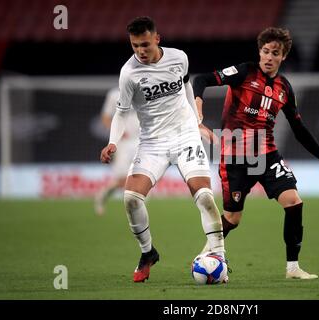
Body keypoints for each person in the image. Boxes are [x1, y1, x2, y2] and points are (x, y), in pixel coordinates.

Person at [193, 27, 319, 280]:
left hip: (267, 152)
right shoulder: (244, 72)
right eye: (265, 51)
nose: (269, 56)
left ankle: (293, 268)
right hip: (235, 154)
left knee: (294, 202)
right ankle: (206, 254)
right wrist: (198, 105)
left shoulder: (284, 88)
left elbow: (298, 128)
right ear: (259, 52)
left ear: (283, 56)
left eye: (275, 53)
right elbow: (202, 80)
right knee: (232, 217)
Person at [100, 16, 226, 283]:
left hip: (185, 137)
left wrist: (198, 122)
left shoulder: (179, 58)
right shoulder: (129, 73)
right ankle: (148, 253)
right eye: (135, 46)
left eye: (145, 44)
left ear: (157, 39)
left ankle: (220, 256)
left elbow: (187, 87)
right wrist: (112, 141)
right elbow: (121, 113)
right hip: (152, 143)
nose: (140, 51)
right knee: (131, 199)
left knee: (204, 196)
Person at [95, 88, 140, 216]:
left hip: (141, 139)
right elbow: (105, 117)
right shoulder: (114, 95)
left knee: (141, 176)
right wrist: (117, 132)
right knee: (121, 180)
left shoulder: (144, 90)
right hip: (123, 143)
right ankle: (102, 196)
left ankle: (137, 211)